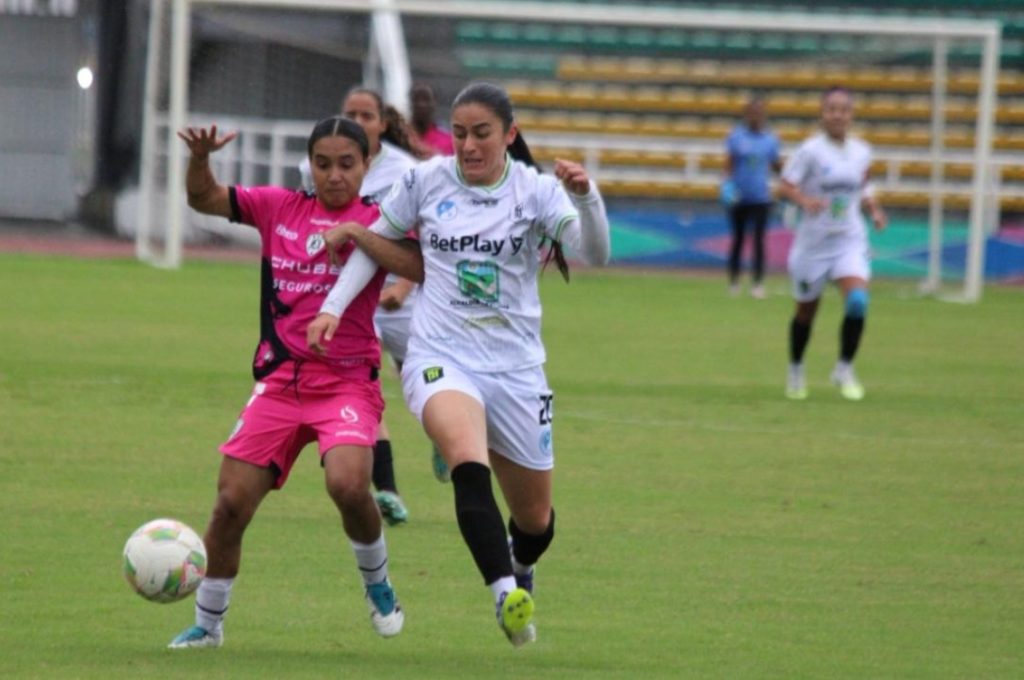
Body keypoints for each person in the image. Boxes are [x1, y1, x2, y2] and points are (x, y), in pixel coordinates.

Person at [306, 81, 611, 646]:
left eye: (482, 134)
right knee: (468, 464)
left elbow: (595, 252)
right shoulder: (425, 180)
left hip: (517, 370)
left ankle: (521, 565)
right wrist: (331, 308)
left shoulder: (536, 192)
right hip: (441, 356)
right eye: (462, 133)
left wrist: (587, 196)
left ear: (509, 136)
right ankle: (505, 596)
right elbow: (374, 244)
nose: (468, 145)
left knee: (536, 524)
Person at [167, 116, 421, 648]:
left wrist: (363, 237)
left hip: (348, 383)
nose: (334, 176)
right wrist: (199, 159)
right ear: (310, 165)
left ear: (366, 165)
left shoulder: (382, 218)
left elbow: (417, 266)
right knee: (230, 505)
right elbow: (205, 199)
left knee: (349, 484)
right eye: (323, 164)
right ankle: (207, 626)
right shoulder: (278, 206)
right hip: (280, 382)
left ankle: (378, 586)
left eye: (346, 165)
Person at [300, 87, 426, 525]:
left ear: (383, 123)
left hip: (403, 294)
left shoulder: (406, 172)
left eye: (366, 114)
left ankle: (447, 444)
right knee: (363, 387)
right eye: (350, 112)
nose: (359, 119)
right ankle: (387, 490)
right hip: (351, 298)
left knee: (426, 387)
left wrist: (403, 288)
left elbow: (429, 242)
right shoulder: (312, 168)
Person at [778, 86, 887, 401]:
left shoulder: (862, 151)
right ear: (822, 114)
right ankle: (796, 369)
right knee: (806, 313)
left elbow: (864, 186)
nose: (837, 115)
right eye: (831, 109)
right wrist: (804, 200)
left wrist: (875, 210)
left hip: (848, 239)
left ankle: (844, 368)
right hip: (813, 245)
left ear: (851, 115)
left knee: (857, 302)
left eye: (843, 109)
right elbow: (786, 185)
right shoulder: (810, 151)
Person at [722, 96, 781, 299]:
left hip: (761, 197)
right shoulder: (736, 137)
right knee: (737, 239)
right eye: (752, 112)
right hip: (739, 196)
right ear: (746, 115)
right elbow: (729, 163)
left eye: (759, 112)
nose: (756, 116)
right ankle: (734, 282)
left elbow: (776, 165)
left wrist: (787, 179)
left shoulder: (770, 140)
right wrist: (727, 185)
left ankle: (757, 283)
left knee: (759, 241)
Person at [408, 82, 454, 157]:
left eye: (426, 99)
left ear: (434, 103)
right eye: (416, 99)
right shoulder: (400, 136)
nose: (421, 104)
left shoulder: (448, 140)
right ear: (410, 103)